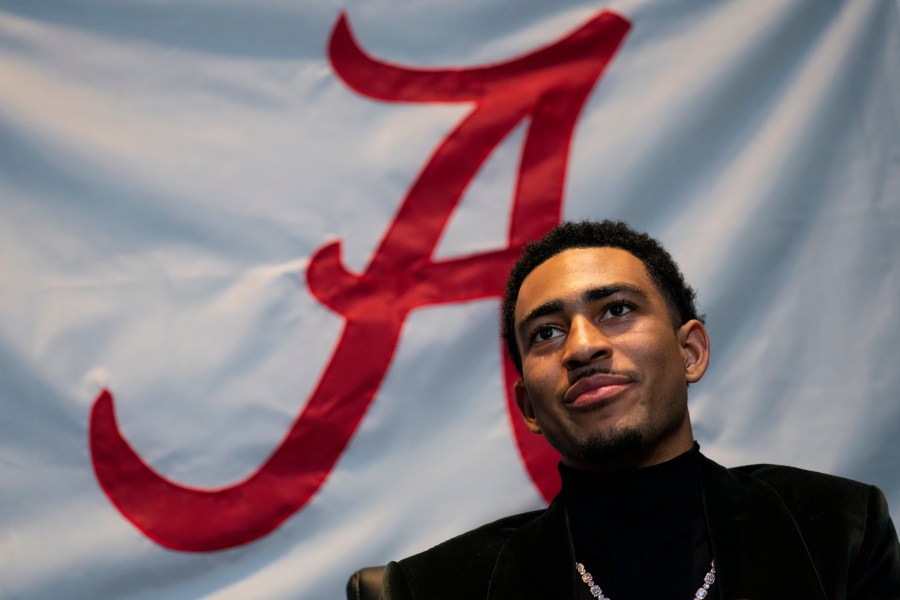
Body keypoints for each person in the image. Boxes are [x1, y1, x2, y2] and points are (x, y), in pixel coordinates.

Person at [378, 220, 900, 600]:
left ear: (690, 352)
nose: (582, 347)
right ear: (528, 407)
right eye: (547, 332)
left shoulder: (838, 530)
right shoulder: (433, 589)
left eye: (617, 310)